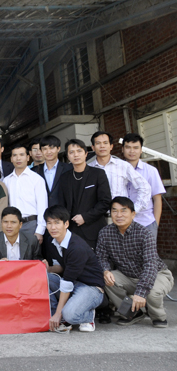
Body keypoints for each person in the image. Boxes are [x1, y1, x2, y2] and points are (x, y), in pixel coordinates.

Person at [96, 197, 173, 328]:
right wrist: (106, 270)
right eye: (114, 211)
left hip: (157, 274)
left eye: (123, 211)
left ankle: (157, 315)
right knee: (107, 280)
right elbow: (102, 257)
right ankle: (132, 313)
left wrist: (141, 293)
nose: (119, 215)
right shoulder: (105, 233)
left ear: (133, 214)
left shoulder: (145, 234)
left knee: (152, 293)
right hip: (128, 276)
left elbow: (150, 265)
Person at [42, 205, 105, 333]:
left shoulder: (76, 247)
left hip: (91, 287)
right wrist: (46, 269)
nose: (52, 227)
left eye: (57, 223)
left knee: (69, 314)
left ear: (66, 224)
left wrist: (60, 313)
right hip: (74, 283)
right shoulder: (52, 241)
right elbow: (61, 267)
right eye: (49, 223)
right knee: (42, 277)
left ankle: (87, 315)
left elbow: (67, 282)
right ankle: (55, 315)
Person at [59, 139, 112, 250]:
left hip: (94, 228)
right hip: (72, 231)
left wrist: (85, 217)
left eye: (79, 151)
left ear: (86, 154)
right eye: (71, 152)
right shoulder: (64, 177)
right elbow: (62, 204)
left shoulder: (97, 174)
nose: (76, 155)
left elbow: (105, 201)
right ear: (68, 156)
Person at [88, 131, 150, 215]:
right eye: (98, 143)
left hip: (120, 216)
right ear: (93, 147)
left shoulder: (123, 166)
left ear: (111, 146)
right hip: (96, 217)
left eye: (105, 143)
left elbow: (144, 187)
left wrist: (134, 209)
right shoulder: (88, 169)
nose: (102, 146)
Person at [122, 133, 166, 240]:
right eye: (128, 147)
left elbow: (157, 199)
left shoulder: (151, 171)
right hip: (122, 223)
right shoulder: (117, 170)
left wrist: (155, 224)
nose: (132, 151)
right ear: (122, 149)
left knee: (147, 256)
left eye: (136, 148)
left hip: (146, 222)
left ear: (141, 150)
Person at [2, 145, 47, 244]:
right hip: (12, 224)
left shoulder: (36, 179)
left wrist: (40, 231)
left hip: (31, 224)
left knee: (30, 257)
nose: (18, 158)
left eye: (21, 155)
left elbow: (42, 206)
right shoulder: (6, 180)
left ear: (27, 157)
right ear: (11, 159)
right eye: (15, 155)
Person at [33, 135, 68, 207]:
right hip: (42, 214)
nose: (48, 152)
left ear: (58, 149)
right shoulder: (34, 171)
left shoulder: (68, 168)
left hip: (63, 214)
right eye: (44, 149)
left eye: (51, 148)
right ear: (41, 151)